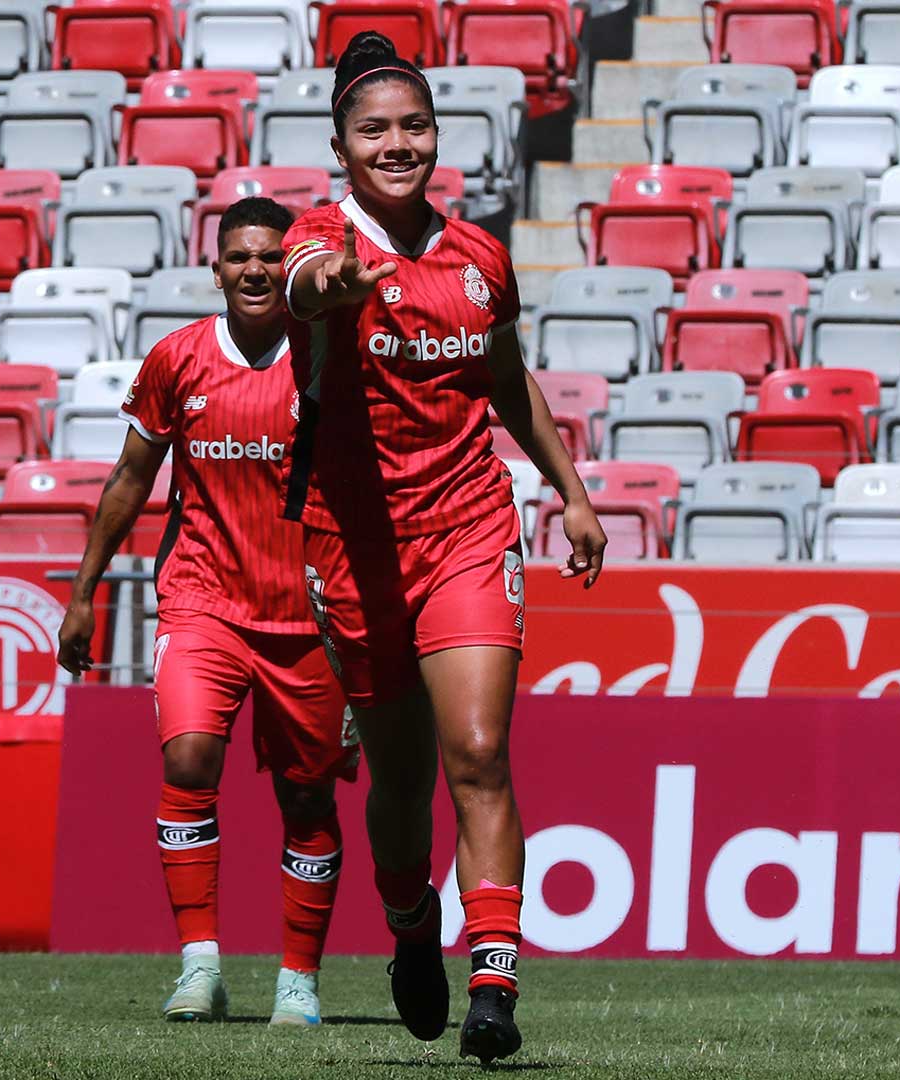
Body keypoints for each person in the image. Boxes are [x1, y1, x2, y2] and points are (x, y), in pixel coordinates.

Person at [280, 31, 608, 1065]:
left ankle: (495, 983)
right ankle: (412, 927)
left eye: (414, 125)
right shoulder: (315, 242)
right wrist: (332, 285)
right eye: (374, 129)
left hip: (470, 525)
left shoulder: (479, 258)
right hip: (357, 547)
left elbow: (507, 384)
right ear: (341, 147)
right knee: (398, 783)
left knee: (477, 753)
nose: (398, 143)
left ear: (438, 138)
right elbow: (303, 290)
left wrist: (573, 493)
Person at [56, 197, 357, 1028]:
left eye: (269, 256)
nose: (254, 269)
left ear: (287, 264)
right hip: (203, 601)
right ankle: (200, 967)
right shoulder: (177, 359)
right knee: (188, 760)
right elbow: (129, 481)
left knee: (307, 803)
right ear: (216, 267)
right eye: (239, 258)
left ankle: (298, 981)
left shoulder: (328, 355)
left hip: (310, 619)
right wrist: (84, 594)